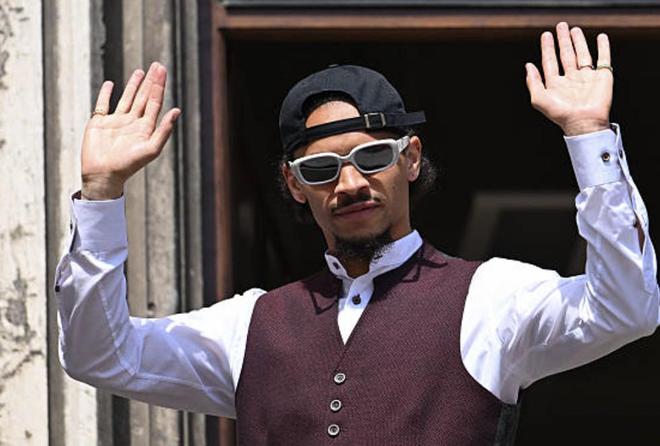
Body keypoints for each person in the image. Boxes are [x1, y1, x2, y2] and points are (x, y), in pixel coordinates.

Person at [55, 22, 658, 445]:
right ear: (295, 186)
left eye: (371, 158)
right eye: (321, 169)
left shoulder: (490, 298)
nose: (349, 183)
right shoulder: (251, 325)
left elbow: (627, 308)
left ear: (410, 159)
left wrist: (589, 136)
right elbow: (100, 355)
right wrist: (101, 192)